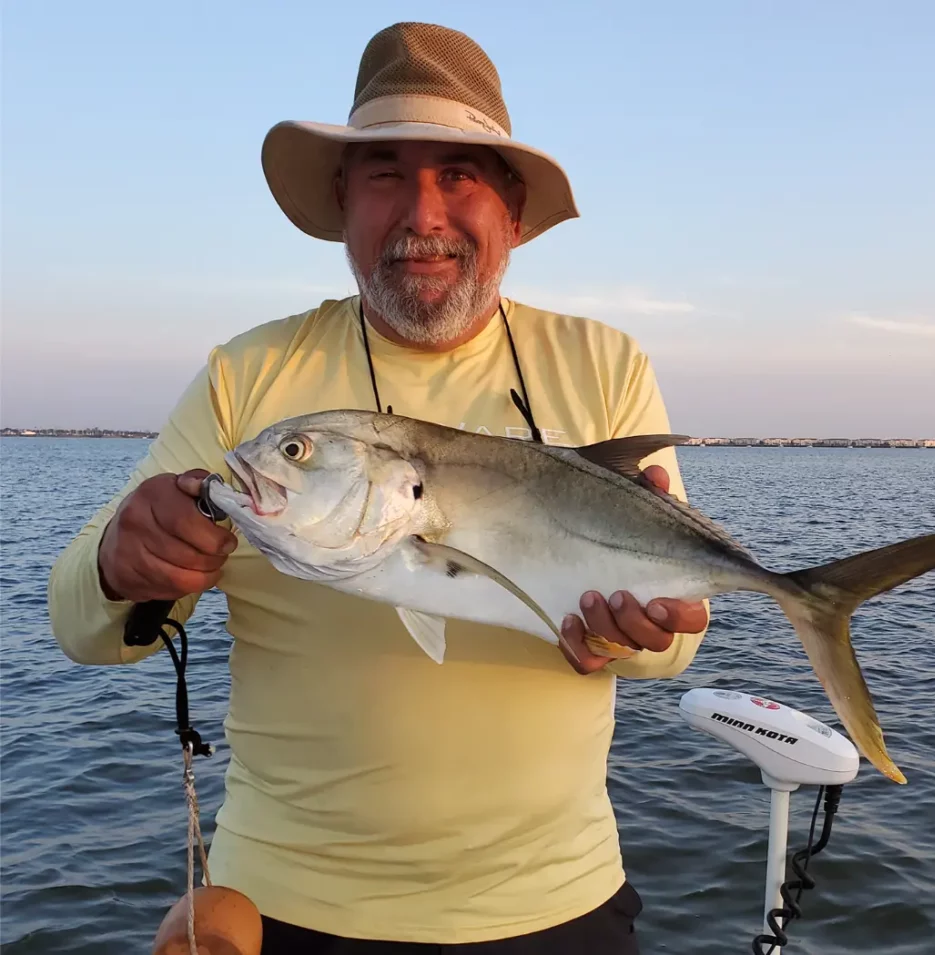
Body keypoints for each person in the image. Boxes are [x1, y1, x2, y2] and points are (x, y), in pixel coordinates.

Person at [48, 21, 711, 955]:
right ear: (343, 202)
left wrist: (630, 635)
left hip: (559, 904)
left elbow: (670, 649)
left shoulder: (603, 365)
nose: (423, 213)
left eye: (461, 174)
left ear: (513, 213)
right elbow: (80, 627)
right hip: (289, 904)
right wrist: (125, 561)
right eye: (387, 172)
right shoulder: (250, 377)